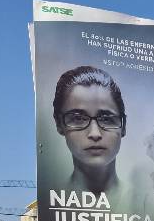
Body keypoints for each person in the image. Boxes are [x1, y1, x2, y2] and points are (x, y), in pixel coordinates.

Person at [53, 66, 127, 196]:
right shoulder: (48, 201)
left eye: (106, 119)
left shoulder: (153, 205)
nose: (95, 134)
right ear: (59, 124)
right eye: (78, 118)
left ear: (123, 125)